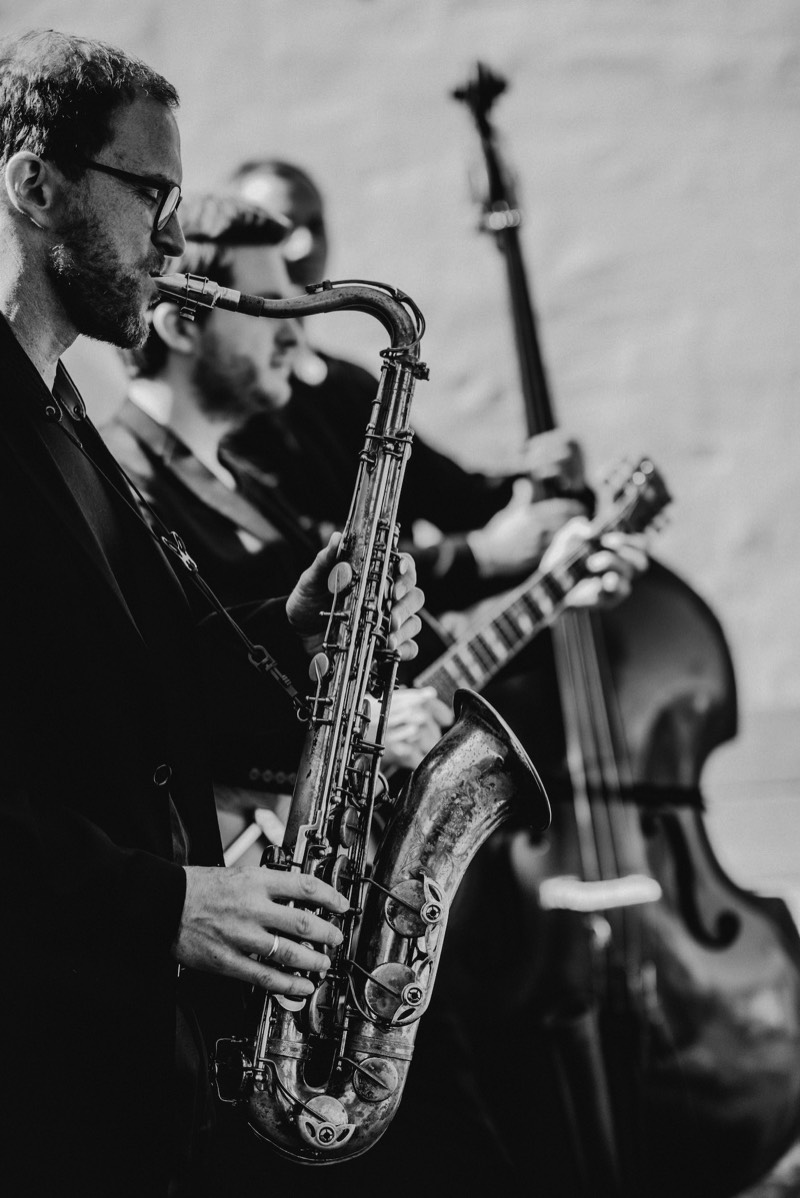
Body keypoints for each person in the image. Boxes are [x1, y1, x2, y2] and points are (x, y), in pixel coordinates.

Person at [0, 31, 424, 1198]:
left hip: (124, 1063)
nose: (174, 242)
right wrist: (166, 907)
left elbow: (154, 678)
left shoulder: (60, 414)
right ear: (35, 184)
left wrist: (307, 625)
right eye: (152, 194)